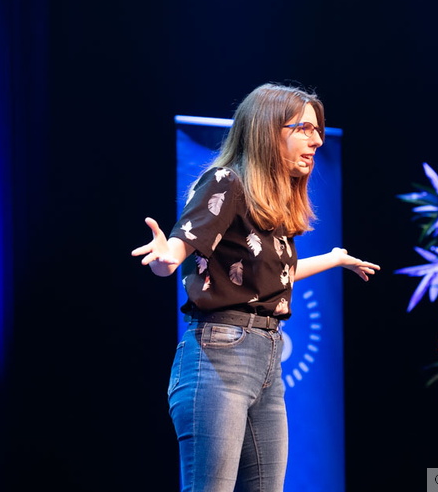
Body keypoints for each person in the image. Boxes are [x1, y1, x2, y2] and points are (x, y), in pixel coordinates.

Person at [131, 82, 379, 492]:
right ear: (267, 130)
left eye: (318, 130)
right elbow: (178, 249)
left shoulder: (270, 202)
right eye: (304, 128)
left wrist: (334, 258)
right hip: (220, 355)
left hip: (267, 357)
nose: (317, 140)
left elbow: (271, 278)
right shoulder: (225, 182)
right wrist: (166, 257)